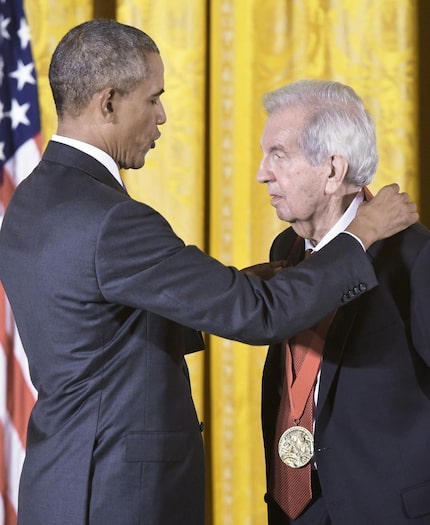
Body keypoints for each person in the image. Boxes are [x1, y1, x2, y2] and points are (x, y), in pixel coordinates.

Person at [0, 20, 417, 525]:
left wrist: (252, 282)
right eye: (152, 99)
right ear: (107, 103)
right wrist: (360, 235)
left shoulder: (33, 199)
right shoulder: (111, 219)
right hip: (116, 495)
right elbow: (259, 317)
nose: (162, 116)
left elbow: (105, 322)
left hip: (61, 484)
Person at [256, 79, 430, 525]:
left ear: (333, 170)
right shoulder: (285, 249)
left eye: (279, 154)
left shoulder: (414, 256)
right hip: (293, 507)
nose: (261, 172)